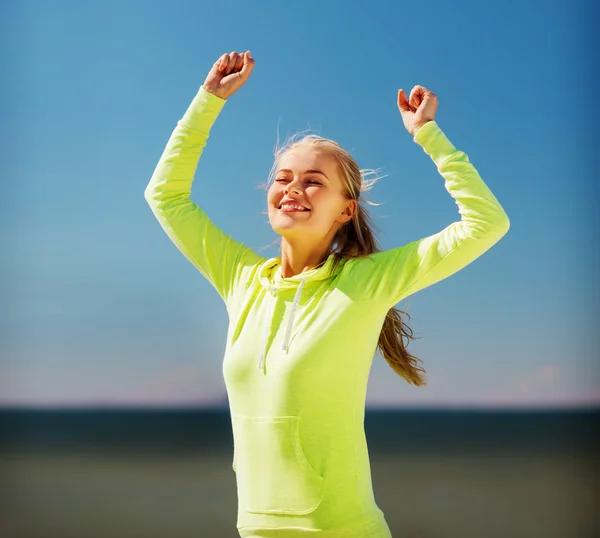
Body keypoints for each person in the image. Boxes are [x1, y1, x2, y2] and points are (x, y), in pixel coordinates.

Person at [144, 50, 510, 538]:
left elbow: (486, 224)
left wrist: (428, 136)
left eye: (314, 182)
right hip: (253, 529)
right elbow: (164, 196)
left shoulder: (367, 281)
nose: (293, 188)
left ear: (345, 210)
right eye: (283, 178)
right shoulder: (240, 279)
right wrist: (208, 99)